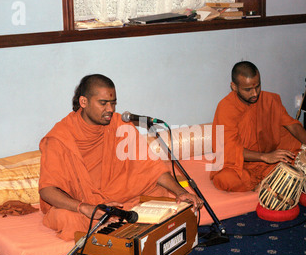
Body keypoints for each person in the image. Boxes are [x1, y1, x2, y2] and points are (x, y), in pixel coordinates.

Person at [39, 74, 203, 241]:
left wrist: (180, 192)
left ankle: (116, 219)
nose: (110, 109)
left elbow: (150, 166)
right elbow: (47, 190)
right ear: (83, 102)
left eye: (113, 103)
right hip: (82, 203)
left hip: (120, 197)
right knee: (68, 219)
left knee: (160, 193)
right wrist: (87, 208)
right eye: (103, 103)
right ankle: (114, 221)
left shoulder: (120, 124)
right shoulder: (59, 138)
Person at [210, 61, 306, 192]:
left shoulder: (269, 100)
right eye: (248, 90)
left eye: (257, 86)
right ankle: (259, 185)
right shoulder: (225, 108)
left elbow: (292, 125)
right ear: (234, 87)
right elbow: (229, 149)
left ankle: (269, 182)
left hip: (269, 160)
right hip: (240, 165)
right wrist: (264, 157)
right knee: (225, 179)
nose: (255, 93)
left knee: (298, 162)